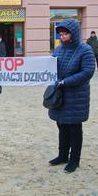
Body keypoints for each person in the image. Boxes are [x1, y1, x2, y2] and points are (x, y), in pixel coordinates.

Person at [48, 19, 95, 173]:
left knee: (74, 129)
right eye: (61, 34)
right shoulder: (59, 49)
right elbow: (51, 66)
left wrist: (66, 82)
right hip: (60, 95)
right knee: (61, 126)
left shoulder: (85, 49)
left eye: (65, 33)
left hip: (76, 96)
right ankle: (62, 156)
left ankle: (74, 160)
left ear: (73, 33)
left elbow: (87, 72)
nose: (62, 37)